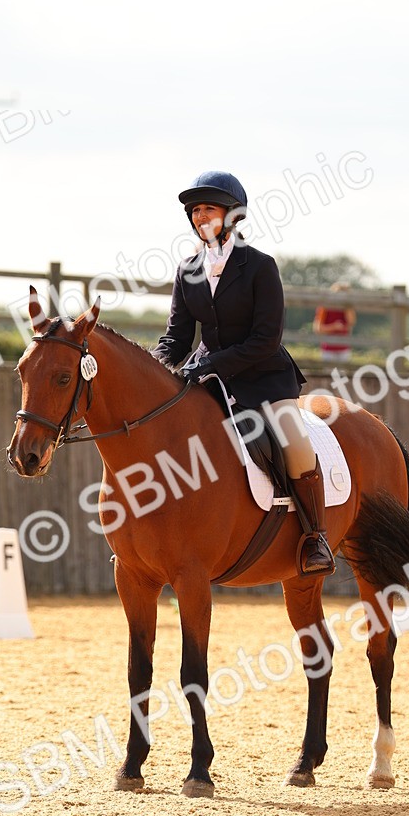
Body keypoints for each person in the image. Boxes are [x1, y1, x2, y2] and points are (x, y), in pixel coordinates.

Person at [152, 170, 335, 576]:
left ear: (233, 215)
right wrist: (155, 367)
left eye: (209, 208)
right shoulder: (187, 270)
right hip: (209, 379)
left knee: (293, 439)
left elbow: (266, 338)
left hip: (263, 376)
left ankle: (315, 537)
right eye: (195, 210)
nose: (201, 216)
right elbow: (177, 338)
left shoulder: (259, 266)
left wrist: (212, 363)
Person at [314, 281, 356, 361]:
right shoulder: (324, 307)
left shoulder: (348, 308)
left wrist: (346, 305)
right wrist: (334, 327)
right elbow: (318, 328)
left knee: (343, 373)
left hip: (344, 349)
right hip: (328, 349)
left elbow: (351, 322)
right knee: (327, 373)